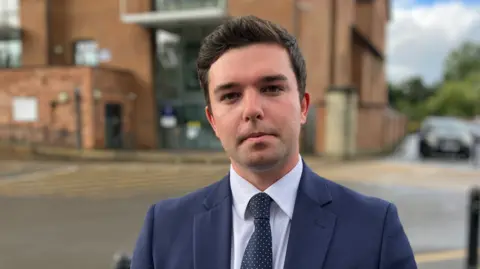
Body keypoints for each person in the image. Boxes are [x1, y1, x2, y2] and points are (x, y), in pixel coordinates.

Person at [130, 15, 417, 269]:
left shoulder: (374, 228)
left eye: (271, 88)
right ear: (213, 120)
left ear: (303, 107)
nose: (252, 109)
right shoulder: (164, 228)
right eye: (230, 95)